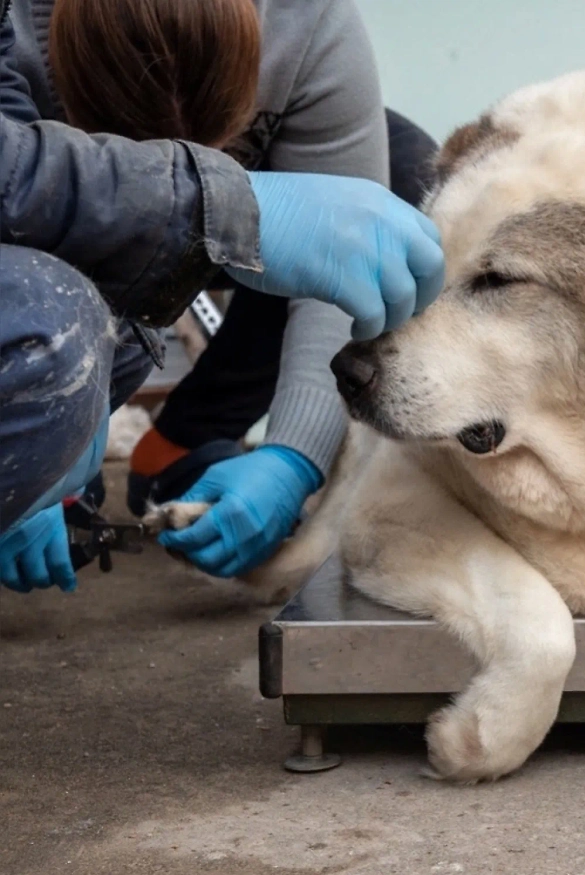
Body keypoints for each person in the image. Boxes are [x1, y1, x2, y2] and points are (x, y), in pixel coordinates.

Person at [0, 0, 445, 593]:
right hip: (50, 228)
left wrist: (294, 456)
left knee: (404, 180)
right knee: (67, 324)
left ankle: (179, 439)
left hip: (263, 227)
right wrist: (33, 449)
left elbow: (342, 290)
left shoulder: (307, 23)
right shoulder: (14, 40)